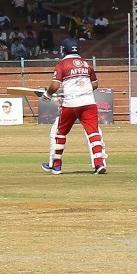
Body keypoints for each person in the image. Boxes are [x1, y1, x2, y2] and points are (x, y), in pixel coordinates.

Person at [41, 38, 107, 175]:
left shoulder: (62, 65)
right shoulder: (87, 64)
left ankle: (57, 166)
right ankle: (99, 164)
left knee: (60, 133)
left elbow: (55, 85)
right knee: (93, 133)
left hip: (70, 104)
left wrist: (47, 94)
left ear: (64, 50)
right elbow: (95, 84)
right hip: (89, 102)